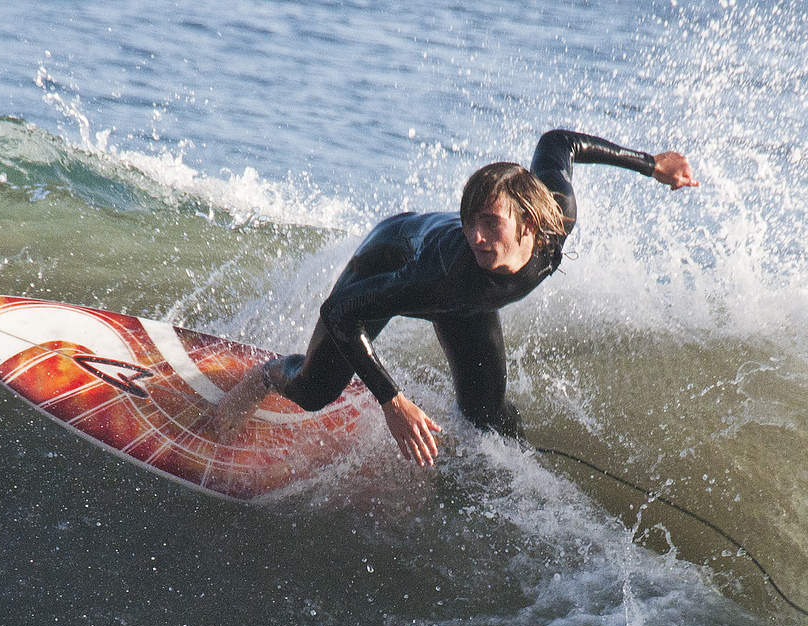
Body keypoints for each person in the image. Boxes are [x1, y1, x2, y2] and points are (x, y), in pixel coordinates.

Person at [213, 129, 699, 466]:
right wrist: (393, 402)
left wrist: (651, 165)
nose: (478, 237)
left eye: (491, 223)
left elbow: (558, 143)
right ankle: (267, 375)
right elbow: (340, 313)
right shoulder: (445, 272)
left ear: (529, 223)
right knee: (315, 392)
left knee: (486, 414)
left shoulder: (558, 215)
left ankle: (511, 471)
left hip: (468, 302)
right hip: (391, 257)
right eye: (470, 223)